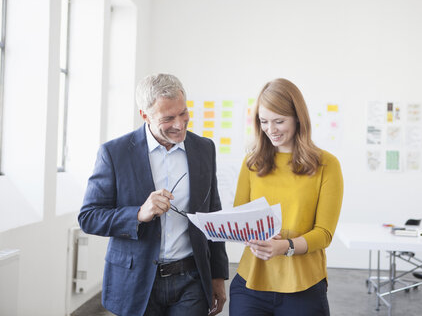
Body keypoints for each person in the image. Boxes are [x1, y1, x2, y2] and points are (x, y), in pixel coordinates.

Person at [79, 73, 229, 316]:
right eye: (168, 118)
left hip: (191, 277)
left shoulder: (204, 148)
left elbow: (213, 212)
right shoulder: (114, 153)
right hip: (136, 281)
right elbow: (89, 217)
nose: (179, 124)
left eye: (183, 113)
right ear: (145, 115)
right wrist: (138, 214)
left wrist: (218, 276)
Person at [229, 78, 343, 316]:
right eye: (264, 122)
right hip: (251, 283)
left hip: (303, 285)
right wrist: (251, 233)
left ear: (298, 118)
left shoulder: (326, 165)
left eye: (279, 121)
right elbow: (240, 217)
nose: (271, 129)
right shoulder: (252, 163)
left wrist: (285, 246)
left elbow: (324, 234)